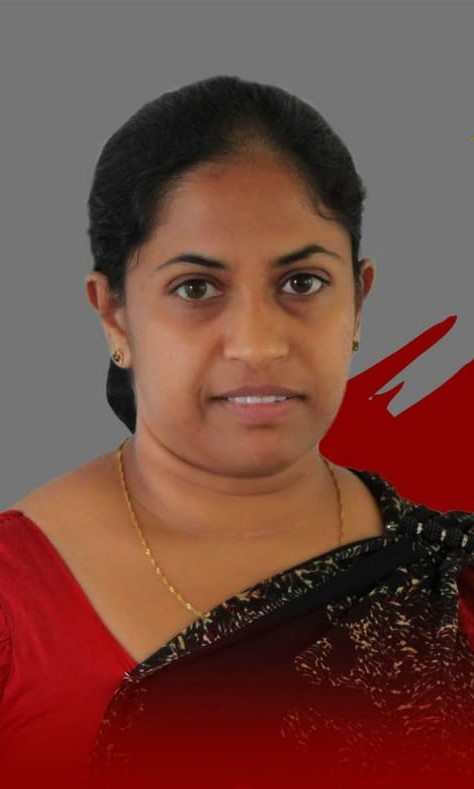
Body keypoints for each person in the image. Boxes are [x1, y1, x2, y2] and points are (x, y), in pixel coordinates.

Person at [1, 74, 474, 789]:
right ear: (114, 314)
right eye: (196, 288)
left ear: (358, 301)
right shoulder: (15, 601)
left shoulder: (448, 578)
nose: (258, 343)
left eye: (302, 282)